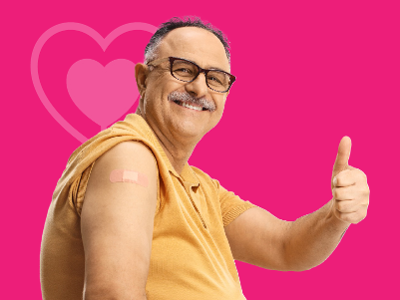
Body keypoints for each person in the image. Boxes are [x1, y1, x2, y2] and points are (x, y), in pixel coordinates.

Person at [40, 16, 370, 300]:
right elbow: (114, 295)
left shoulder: (197, 186)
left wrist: (336, 214)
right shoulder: (130, 156)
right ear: (143, 78)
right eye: (183, 70)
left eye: (215, 78)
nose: (200, 89)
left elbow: (285, 247)